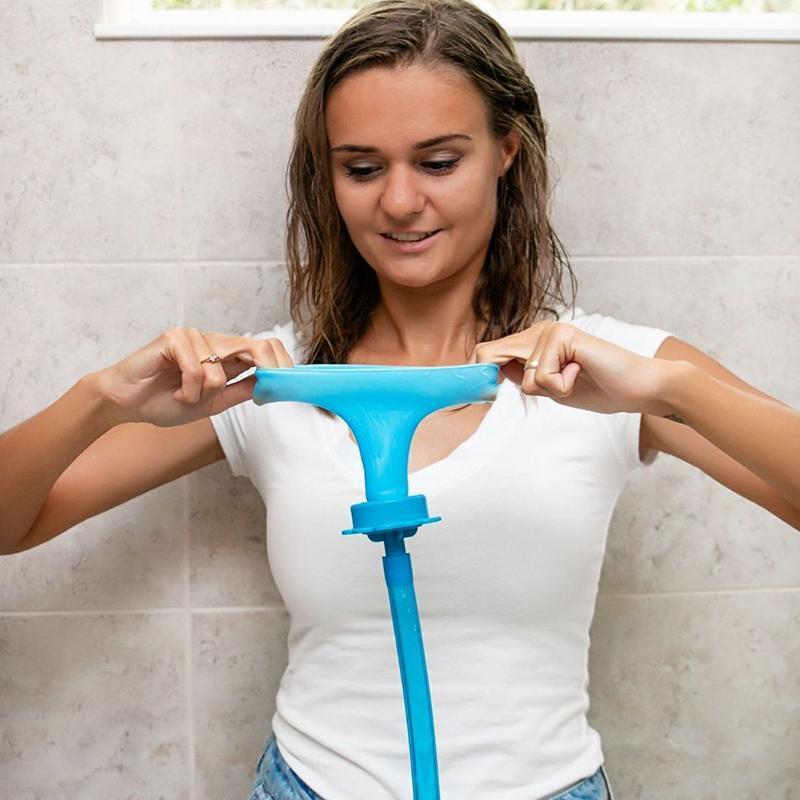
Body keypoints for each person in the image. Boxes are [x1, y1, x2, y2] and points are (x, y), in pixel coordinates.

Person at [2, 0, 798, 798]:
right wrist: (101, 400)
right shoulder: (267, 381)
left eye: (439, 162)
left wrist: (671, 389)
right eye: (362, 168)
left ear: (507, 151)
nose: (399, 202)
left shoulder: (608, 371)